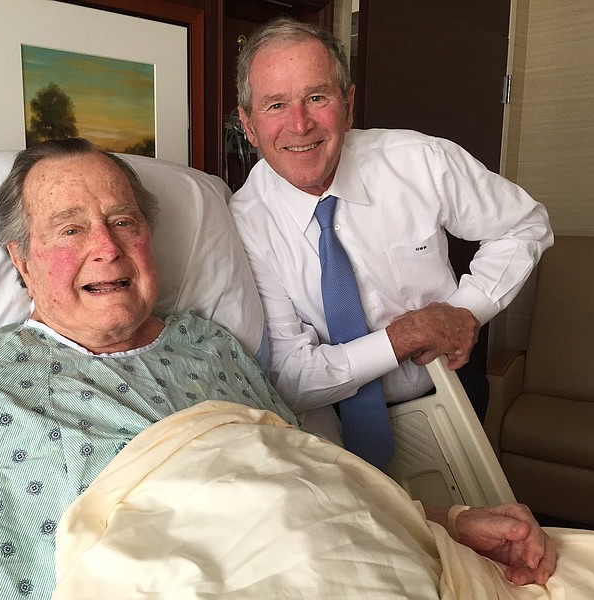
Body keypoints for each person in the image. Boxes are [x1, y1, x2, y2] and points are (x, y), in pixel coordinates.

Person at [0, 139, 555, 599]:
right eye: (70, 229)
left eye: (124, 221)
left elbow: (314, 484)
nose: (105, 247)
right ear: (20, 263)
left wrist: (451, 522)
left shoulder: (209, 345)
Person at [228, 17, 554, 459]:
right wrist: (404, 336)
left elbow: (525, 224)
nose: (300, 124)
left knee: (473, 520)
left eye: (317, 97)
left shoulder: (418, 161)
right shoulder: (244, 221)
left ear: (348, 102)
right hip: (329, 426)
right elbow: (290, 374)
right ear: (248, 124)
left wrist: (468, 311)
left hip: (451, 394)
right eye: (275, 105)